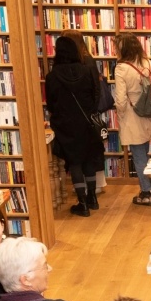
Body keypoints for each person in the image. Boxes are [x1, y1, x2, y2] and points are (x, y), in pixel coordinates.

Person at [45, 36, 104, 217]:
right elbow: (96, 95)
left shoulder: (52, 76)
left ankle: (82, 203)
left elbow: (51, 103)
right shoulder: (86, 71)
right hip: (86, 122)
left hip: (66, 125)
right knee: (88, 159)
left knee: (75, 162)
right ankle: (93, 198)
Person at [114, 33, 151, 206]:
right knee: (145, 153)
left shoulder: (121, 68)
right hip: (149, 113)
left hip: (133, 116)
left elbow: (120, 99)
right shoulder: (148, 63)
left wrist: (121, 115)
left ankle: (146, 192)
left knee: (139, 156)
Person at [60, 29, 108, 192]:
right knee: (90, 151)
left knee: (81, 154)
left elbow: (95, 89)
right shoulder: (88, 60)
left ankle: (85, 190)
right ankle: (91, 190)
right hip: (87, 114)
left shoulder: (83, 62)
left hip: (77, 117)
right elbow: (95, 89)